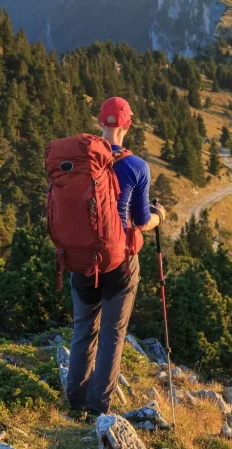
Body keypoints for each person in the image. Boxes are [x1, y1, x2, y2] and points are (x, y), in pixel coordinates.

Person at [66, 96, 164, 415]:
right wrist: (160, 215)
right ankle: (98, 409)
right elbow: (142, 220)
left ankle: (75, 404)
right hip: (118, 263)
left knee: (83, 328)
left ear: (100, 123)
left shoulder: (81, 160)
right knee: (112, 334)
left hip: (81, 259)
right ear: (128, 125)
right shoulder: (137, 166)